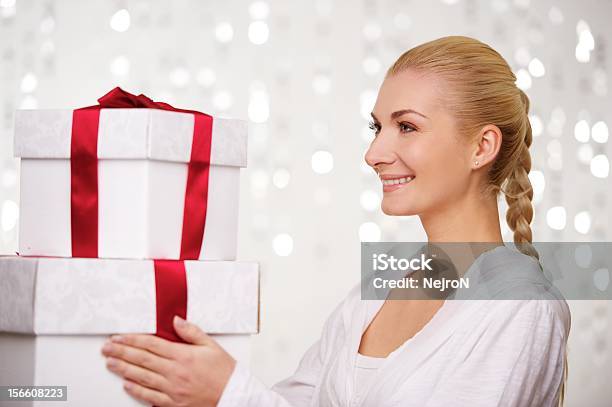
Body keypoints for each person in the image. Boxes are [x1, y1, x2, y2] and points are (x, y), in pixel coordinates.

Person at [101, 36, 571, 407]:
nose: (374, 154)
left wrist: (229, 395)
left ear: (481, 147)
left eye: (406, 126)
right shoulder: (374, 293)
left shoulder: (521, 309)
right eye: (377, 127)